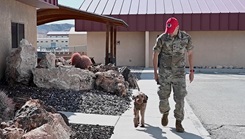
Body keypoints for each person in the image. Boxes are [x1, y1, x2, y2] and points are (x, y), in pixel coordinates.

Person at [152, 17, 194, 132]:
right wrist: (155, 73)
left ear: (178, 27)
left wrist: (191, 71)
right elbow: (155, 54)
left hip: (179, 73)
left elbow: (190, 54)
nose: (169, 34)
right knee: (163, 97)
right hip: (164, 73)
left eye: (172, 31)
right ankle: (165, 113)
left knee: (180, 98)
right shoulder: (162, 38)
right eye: (168, 31)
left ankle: (178, 121)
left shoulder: (186, 38)